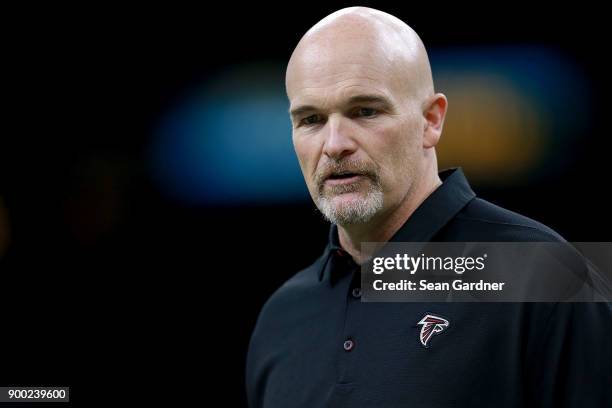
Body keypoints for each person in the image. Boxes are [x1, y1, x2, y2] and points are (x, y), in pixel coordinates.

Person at [246, 7, 611, 407]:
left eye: (365, 111)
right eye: (311, 119)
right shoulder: (282, 318)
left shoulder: (544, 275)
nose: (334, 144)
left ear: (431, 120)